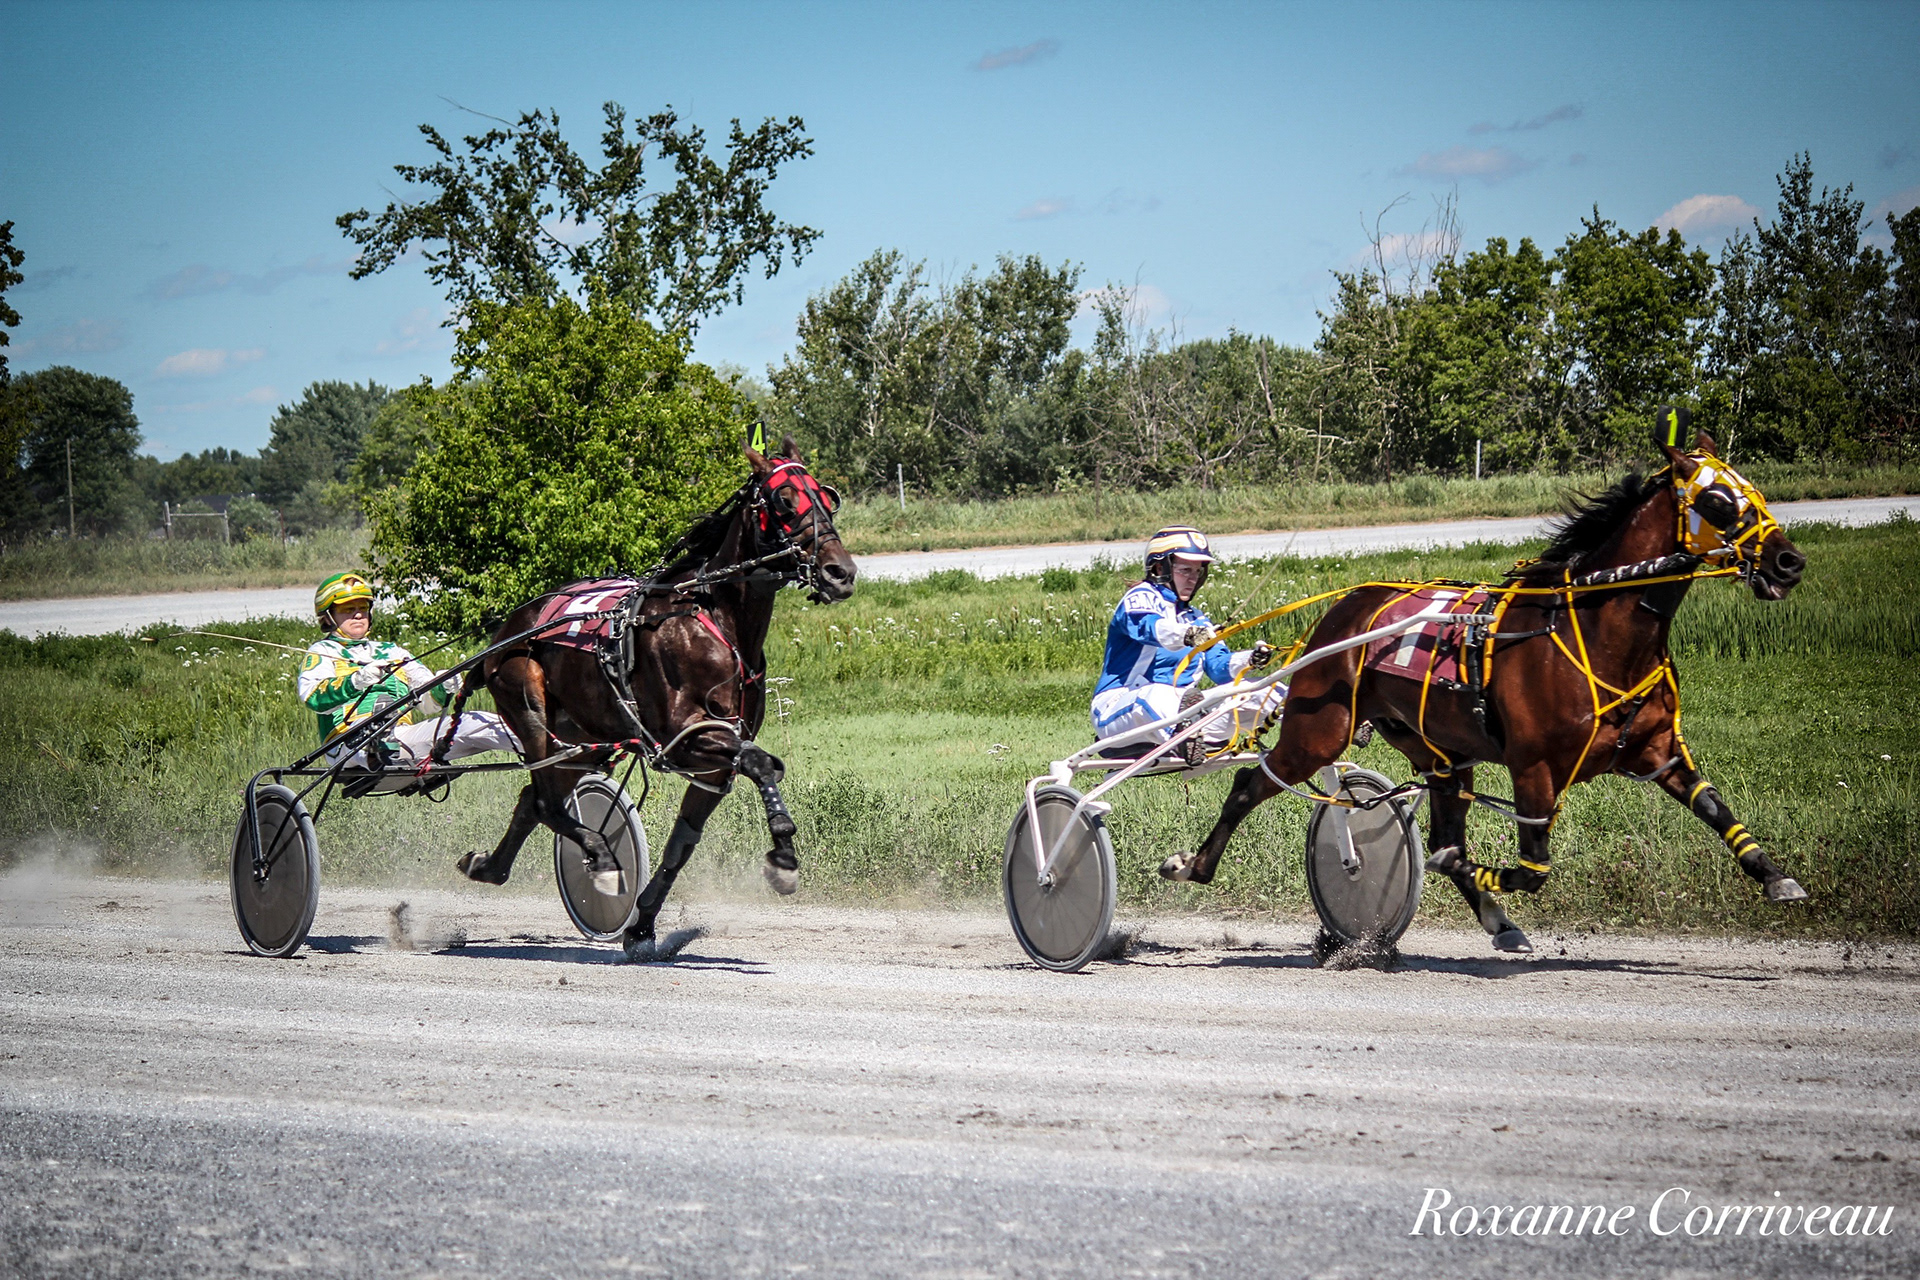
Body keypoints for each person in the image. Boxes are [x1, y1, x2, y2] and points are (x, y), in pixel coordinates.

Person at [1091, 526, 1285, 764]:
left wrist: (1250, 660)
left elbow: (1218, 668)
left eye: (1197, 571)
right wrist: (1188, 634)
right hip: (1118, 711)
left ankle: (1316, 732)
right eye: (1185, 570)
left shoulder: (1196, 618)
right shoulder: (1139, 598)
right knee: (1157, 694)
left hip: (1185, 715)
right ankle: (1186, 735)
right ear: (1160, 568)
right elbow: (1148, 627)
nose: (1193, 579)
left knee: (1266, 690)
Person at [299, 572, 520, 772]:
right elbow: (312, 697)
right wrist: (356, 681)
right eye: (348, 609)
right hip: (345, 743)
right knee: (371, 733)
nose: (358, 615)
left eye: (362, 607)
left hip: (400, 736)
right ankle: (377, 748)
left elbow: (428, 703)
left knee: (476, 722)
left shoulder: (393, 652)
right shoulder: (322, 651)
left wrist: (442, 686)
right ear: (328, 616)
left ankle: (537, 745)